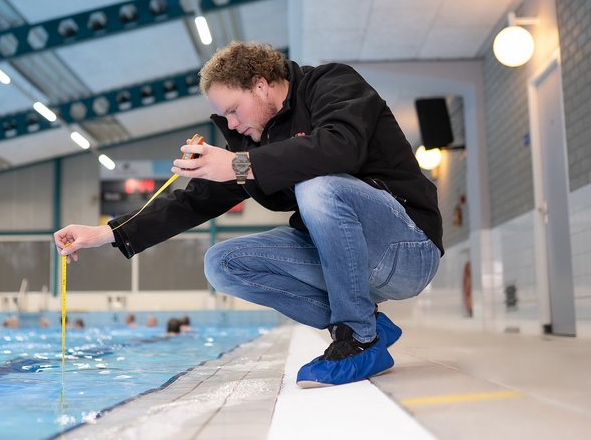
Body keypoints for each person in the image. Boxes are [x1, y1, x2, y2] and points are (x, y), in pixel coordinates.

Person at [54, 42, 443, 388]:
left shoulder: (332, 83)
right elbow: (195, 200)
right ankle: (369, 326)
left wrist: (239, 165)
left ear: (261, 85)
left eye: (234, 111)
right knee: (222, 263)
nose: (233, 124)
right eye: (226, 118)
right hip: (347, 260)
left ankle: (357, 337)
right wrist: (105, 232)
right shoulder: (253, 137)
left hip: (407, 248)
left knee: (316, 185)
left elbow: (340, 148)